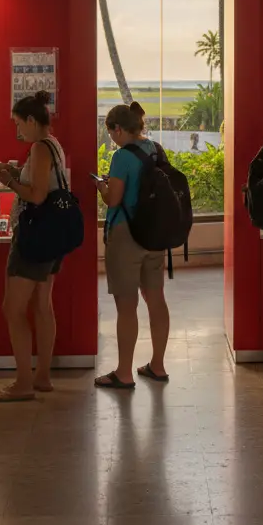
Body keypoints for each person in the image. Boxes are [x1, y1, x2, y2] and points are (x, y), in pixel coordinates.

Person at [0, 91, 67, 402]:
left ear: (32, 120)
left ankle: (23, 382)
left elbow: (35, 196)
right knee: (42, 305)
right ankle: (42, 376)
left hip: (33, 238)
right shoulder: (54, 145)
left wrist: (8, 181)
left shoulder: (39, 148)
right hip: (54, 236)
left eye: (19, 123)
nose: (17, 130)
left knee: (13, 308)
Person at [94, 101, 169, 389]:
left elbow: (114, 199)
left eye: (111, 132)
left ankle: (124, 373)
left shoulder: (122, 157)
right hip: (154, 234)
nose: (111, 137)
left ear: (119, 129)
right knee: (156, 299)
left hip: (126, 235)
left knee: (127, 306)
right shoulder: (155, 148)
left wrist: (102, 186)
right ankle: (158, 366)